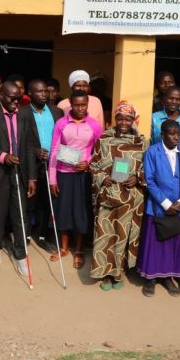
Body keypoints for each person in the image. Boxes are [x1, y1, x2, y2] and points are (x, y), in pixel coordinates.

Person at [89, 101, 146, 291]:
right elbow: (93, 164)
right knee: (104, 234)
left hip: (130, 197)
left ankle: (117, 273)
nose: (123, 122)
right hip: (107, 194)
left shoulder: (142, 142)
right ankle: (104, 273)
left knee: (122, 235)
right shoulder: (104, 138)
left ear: (133, 120)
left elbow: (148, 167)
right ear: (115, 119)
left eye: (128, 119)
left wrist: (137, 178)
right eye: (119, 118)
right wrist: (102, 177)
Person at [47, 91, 103, 268]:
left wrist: (88, 163)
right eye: (76, 105)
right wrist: (52, 179)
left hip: (83, 176)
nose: (80, 108)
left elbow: (100, 152)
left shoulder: (94, 125)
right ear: (70, 104)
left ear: (87, 104)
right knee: (63, 211)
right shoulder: (61, 123)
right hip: (63, 173)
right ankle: (64, 248)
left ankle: (78, 250)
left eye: (83, 105)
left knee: (81, 212)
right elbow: (54, 151)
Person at [141, 119, 180, 297]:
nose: (176, 137)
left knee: (175, 245)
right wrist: (165, 203)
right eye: (172, 134)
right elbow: (149, 180)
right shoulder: (152, 152)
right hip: (158, 207)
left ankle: (168, 277)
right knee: (156, 244)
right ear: (163, 135)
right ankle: (150, 278)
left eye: (178, 134)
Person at [0, 82, 37, 274]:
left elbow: (31, 145)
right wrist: (3, 156)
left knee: (20, 213)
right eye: (12, 98)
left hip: (20, 171)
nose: (16, 102)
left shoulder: (25, 113)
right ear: (1, 94)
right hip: (0, 170)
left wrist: (32, 177)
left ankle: (20, 253)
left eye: (19, 98)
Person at [23, 79, 64, 248]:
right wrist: (35, 151)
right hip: (31, 163)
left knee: (46, 202)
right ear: (30, 93)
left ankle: (41, 235)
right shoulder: (23, 112)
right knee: (29, 201)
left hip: (52, 163)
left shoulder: (57, 112)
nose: (44, 94)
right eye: (39, 91)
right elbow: (22, 140)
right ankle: (25, 234)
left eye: (46, 91)